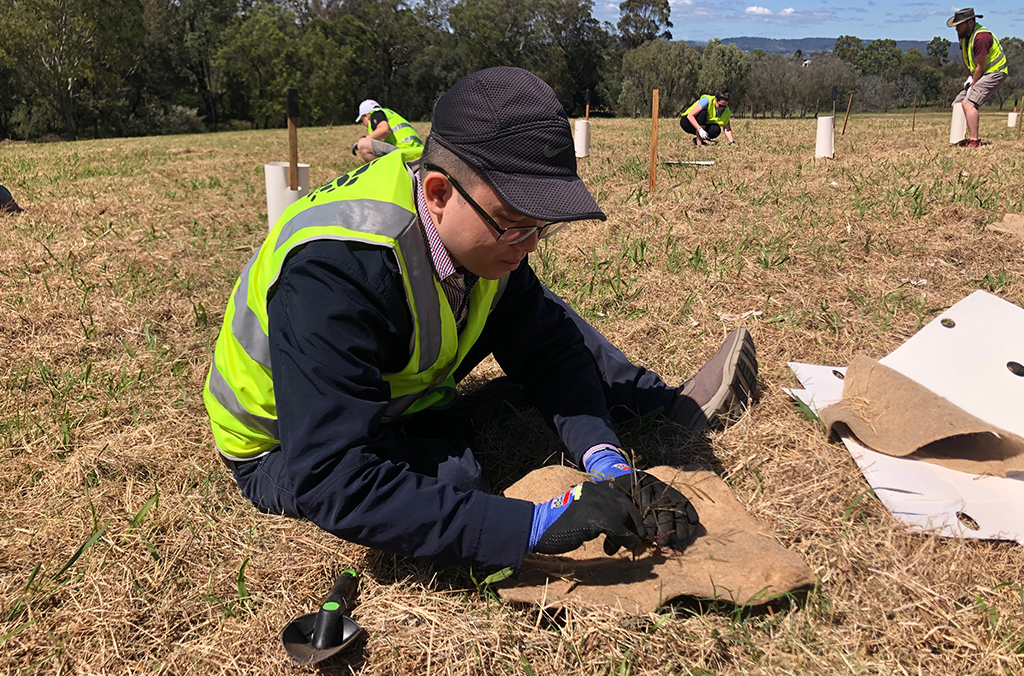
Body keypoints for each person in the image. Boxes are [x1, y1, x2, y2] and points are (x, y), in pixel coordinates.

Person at [204, 67, 758, 573]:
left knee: (543, 319)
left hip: (395, 394)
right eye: (515, 225)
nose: (530, 245)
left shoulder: (479, 233)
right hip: (282, 447)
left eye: (542, 227)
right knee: (459, 481)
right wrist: (532, 527)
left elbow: (549, 351)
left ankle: (658, 404)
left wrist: (605, 460)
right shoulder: (334, 275)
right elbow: (332, 477)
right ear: (439, 193)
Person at [948, 8, 1008, 148]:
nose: (956, 29)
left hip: (995, 72)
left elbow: (981, 65)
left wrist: (973, 84)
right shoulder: (963, 36)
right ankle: (960, 139)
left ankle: (975, 141)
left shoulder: (981, 37)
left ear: (970, 22)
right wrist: (969, 77)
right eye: (956, 25)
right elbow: (965, 59)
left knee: (968, 103)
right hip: (977, 74)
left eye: (960, 25)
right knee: (957, 103)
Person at [353, 99, 423, 162]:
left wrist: (363, 140)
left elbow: (384, 129)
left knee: (363, 144)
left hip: (404, 150)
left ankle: (382, 174)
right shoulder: (390, 114)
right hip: (418, 151)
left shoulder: (376, 114)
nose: (363, 124)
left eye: (362, 120)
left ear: (366, 116)